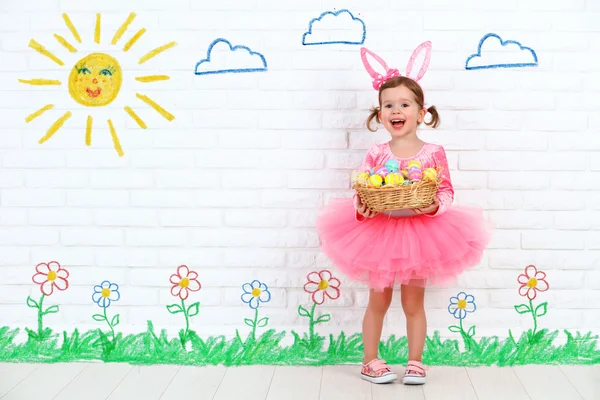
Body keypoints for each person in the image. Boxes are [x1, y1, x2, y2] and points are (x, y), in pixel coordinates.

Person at [315, 42, 492, 385]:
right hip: (380, 233)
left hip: (421, 234)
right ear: (380, 115)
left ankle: (415, 361)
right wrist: (363, 211)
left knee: (414, 302)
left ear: (421, 111)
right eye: (388, 105)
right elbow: (363, 190)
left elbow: (446, 191)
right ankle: (370, 360)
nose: (396, 110)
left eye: (404, 104)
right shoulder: (377, 152)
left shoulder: (433, 152)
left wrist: (433, 206)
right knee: (377, 301)